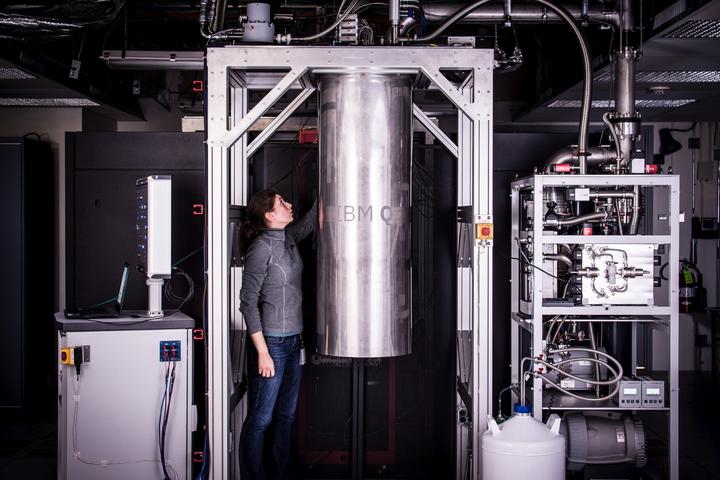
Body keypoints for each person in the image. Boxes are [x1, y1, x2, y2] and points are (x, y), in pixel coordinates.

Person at [238, 188, 317, 480]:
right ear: (269, 215)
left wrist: (329, 179)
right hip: (271, 343)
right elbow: (247, 302)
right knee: (261, 419)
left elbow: (309, 222)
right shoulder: (261, 248)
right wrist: (263, 352)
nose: (289, 204)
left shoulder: (287, 239)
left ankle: (281, 474)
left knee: (286, 417)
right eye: (282, 203)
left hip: (294, 340)